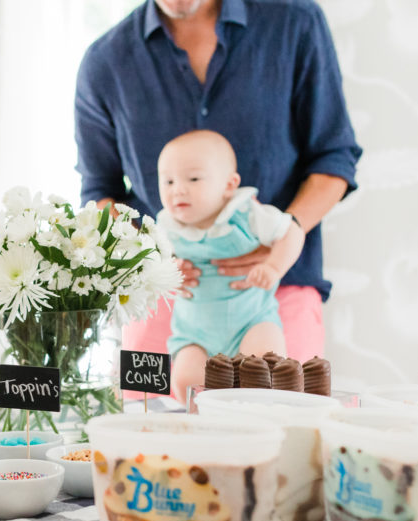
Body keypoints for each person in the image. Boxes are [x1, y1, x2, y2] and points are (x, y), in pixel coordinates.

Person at [74, 0, 361, 365]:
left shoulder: (295, 22)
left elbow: (333, 157)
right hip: (164, 298)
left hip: (277, 290)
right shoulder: (105, 62)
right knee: (151, 421)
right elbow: (100, 193)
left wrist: (282, 240)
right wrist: (155, 258)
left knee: (282, 417)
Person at [158, 130, 304, 397]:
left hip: (251, 321)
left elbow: (292, 231)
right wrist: (168, 271)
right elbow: (152, 264)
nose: (177, 189)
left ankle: (254, 427)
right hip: (194, 334)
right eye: (167, 181)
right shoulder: (165, 227)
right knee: (185, 384)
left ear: (229, 184)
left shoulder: (247, 213)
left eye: (193, 178)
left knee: (263, 369)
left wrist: (274, 266)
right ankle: (209, 433)